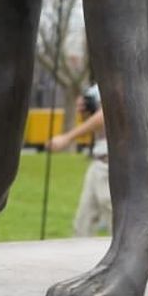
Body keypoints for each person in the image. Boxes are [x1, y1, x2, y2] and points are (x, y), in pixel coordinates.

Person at [49, 85, 111, 237]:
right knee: (82, 224)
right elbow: (94, 120)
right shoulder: (98, 86)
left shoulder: (123, 80)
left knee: (119, 226)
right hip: (98, 164)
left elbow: (105, 115)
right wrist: (85, 110)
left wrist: (67, 138)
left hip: (115, 167)